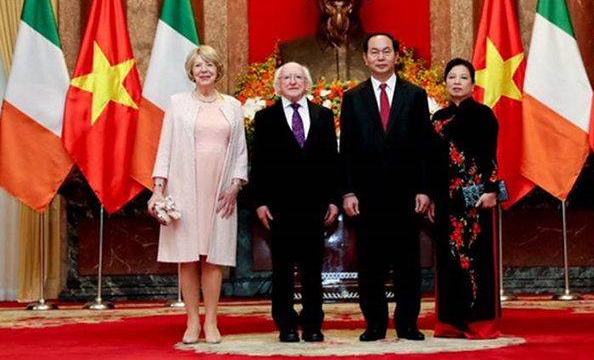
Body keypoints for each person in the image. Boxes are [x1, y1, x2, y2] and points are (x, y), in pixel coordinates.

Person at [147, 45, 248, 344]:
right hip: (184, 187)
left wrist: (236, 184)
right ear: (191, 72)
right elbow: (164, 147)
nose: (204, 70)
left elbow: (241, 150)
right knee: (188, 256)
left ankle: (212, 322)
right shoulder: (177, 104)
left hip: (220, 190)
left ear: (218, 70)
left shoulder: (232, 105)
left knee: (213, 256)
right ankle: (192, 322)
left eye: (209, 65)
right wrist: (158, 188)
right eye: (198, 65)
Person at [340, 33, 431, 341]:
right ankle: (375, 323)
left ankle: (407, 323)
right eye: (374, 52)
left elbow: (423, 146)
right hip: (367, 197)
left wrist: (423, 189)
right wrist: (348, 191)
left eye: (386, 51)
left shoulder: (415, 95)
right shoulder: (352, 98)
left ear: (396, 56)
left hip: (406, 195)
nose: (380, 57)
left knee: (408, 262)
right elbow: (347, 149)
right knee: (370, 264)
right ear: (365, 58)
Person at [250, 62, 341, 343]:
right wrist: (260, 202)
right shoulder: (264, 118)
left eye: (298, 77)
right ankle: (286, 323)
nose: (292, 81)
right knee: (283, 269)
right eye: (286, 77)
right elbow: (260, 164)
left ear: (307, 82)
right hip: (280, 207)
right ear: (278, 85)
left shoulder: (324, 116)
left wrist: (334, 200)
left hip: (315, 206)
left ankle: (313, 322)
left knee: (314, 268)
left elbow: (331, 162)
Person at [428, 58, 501, 339]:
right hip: (446, 200)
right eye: (452, 77)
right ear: (445, 83)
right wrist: (433, 199)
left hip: (476, 199)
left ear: (473, 84)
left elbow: (490, 156)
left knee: (476, 258)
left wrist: (491, 190)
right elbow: (433, 163)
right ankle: (450, 322)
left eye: (463, 77)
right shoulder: (437, 119)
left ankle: (479, 322)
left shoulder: (484, 114)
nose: (457, 82)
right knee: (448, 260)